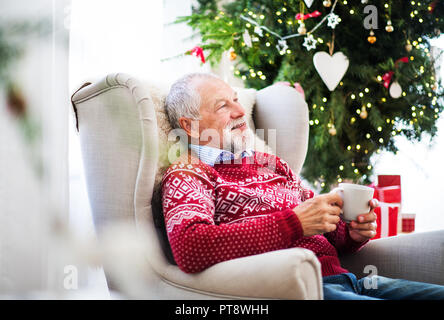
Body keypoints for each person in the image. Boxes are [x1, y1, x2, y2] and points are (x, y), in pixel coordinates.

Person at [161, 72, 444, 300]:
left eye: (237, 100)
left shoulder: (271, 164)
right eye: (223, 105)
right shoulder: (188, 172)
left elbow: (325, 230)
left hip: (351, 280)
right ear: (191, 126)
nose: (240, 111)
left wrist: (352, 233)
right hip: (304, 290)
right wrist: (294, 222)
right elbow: (190, 247)